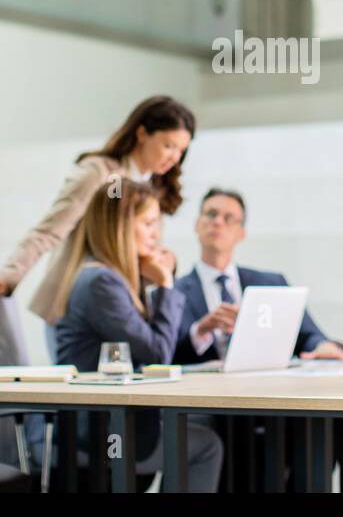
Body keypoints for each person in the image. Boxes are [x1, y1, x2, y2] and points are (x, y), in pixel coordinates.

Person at [0, 95, 195, 362]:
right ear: (142, 133)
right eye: (168, 145)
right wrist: (8, 277)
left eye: (181, 150)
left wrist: (160, 264)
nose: (174, 158)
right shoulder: (100, 175)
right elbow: (50, 230)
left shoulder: (153, 187)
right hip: (76, 304)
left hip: (118, 307)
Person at [54, 178, 224, 492]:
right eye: (147, 223)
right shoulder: (100, 282)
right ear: (118, 227)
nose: (156, 234)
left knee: (202, 425)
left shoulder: (109, 279)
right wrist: (166, 286)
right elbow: (158, 353)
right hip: (99, 433)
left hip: (109, 422)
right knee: (208, 446)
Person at [173, 187, 343, 364]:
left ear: (241, 233)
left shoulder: (272, 284)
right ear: (197, 224)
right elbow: (165, 355)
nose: (218, 222)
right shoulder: (172, 291)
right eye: (211, 214)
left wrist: (322, 346)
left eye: (229, 218)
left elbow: (308, 336)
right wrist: (200, 331)